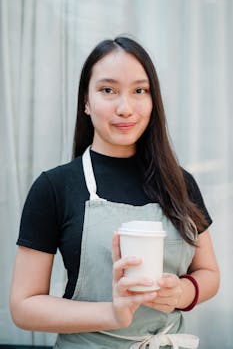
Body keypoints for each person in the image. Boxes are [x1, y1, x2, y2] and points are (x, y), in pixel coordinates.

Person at [10, 36, 220, 349]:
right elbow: (23, 306)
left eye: (140, 91)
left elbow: (208, 272)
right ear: (86, 101)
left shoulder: (180, 183)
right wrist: (112, 313)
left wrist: (181, 292)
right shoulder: (54, 188)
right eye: (108, 90)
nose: (125, 108)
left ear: (153, 100)